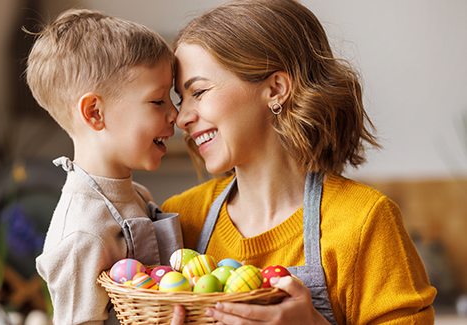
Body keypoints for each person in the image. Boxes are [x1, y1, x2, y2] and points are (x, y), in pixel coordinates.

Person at [163, 0, 436, 324]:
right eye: (181, 99)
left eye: (199, 91)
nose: (181, 118)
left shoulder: (364, 222)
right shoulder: (180, 219)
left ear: (276, 89)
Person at [25, 9, 181, 325]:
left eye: (171, 98)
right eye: (157, 101)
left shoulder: (137, 194)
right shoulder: (83, 232)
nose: (175, 113)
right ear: (95, 112)